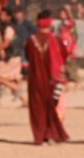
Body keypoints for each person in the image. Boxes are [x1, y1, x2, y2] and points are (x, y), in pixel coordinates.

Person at [24, 10, 70, 145]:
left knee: (37, 108)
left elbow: (27, 56)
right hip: (52, 80)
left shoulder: (31, 41)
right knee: (51, 106)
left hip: (36, 79)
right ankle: (51, 134)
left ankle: (40, 136)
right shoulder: (55, 40)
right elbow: (64, 56)